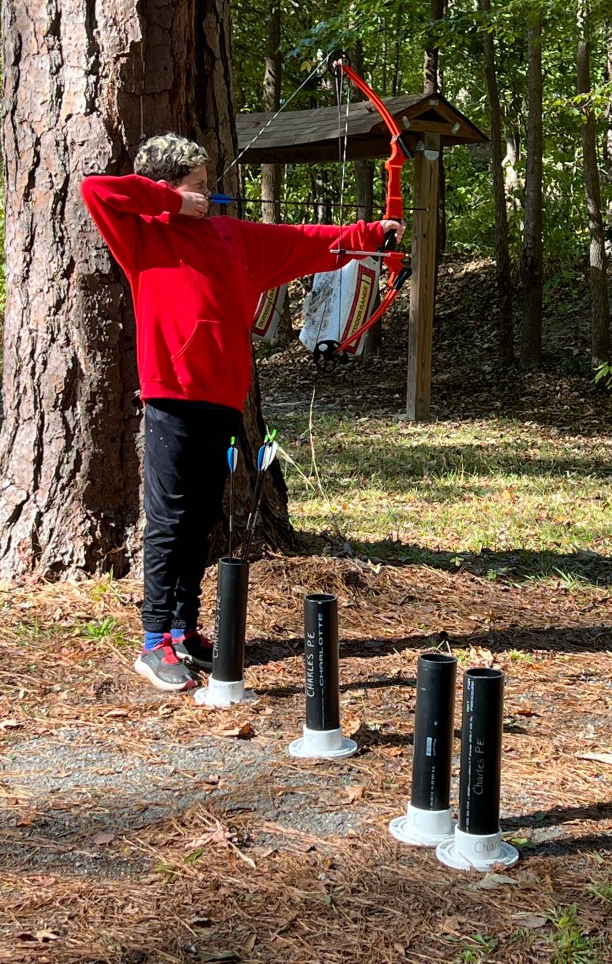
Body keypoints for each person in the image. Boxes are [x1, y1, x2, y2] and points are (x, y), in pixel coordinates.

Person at [81, 133, 404, 693]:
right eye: (197, 186)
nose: (207, 195)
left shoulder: (231, 235)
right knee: (170, 519)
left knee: (200, 517)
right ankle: (154, 640)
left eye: (207, 186)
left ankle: (183, 629)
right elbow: (96, 189)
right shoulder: (142, 233)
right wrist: (172, 203)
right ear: (168, 187)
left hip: (223, 395)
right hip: (172, 392)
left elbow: (305, 241)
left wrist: (372, 235)